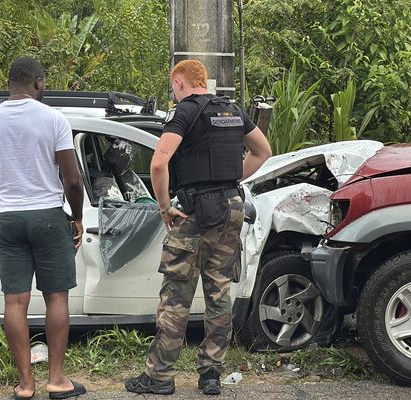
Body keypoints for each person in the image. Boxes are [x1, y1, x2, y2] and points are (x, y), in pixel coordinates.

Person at [125, 59, 272, 396]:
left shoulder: (185, 112)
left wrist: (164, 208)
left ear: (179, 83)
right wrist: (231, 178)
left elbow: (159, 163)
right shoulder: (232, 110)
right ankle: (210, 375)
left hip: (194, 212)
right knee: (219, 292)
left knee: (176, 295)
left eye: (172, 86)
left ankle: (159, 377)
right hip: (232, 207)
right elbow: (263, 151)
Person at [0, 57, 86, 400]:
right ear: (37, 82)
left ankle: (25, 385)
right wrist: (76, 217)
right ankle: (56, 380)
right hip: (48, 216)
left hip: (7, 219)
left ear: (11, 83)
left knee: (15, 302)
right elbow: (72, 180)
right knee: (56, 297)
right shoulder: (53, 119)